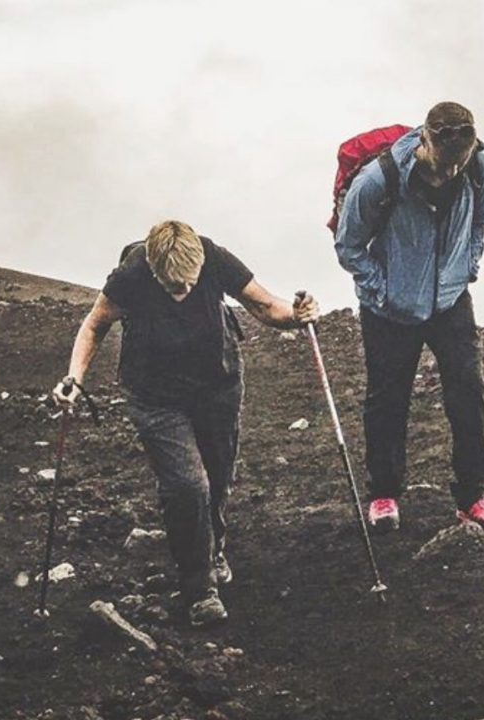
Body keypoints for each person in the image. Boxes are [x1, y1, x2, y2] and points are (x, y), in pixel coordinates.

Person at [52, 220, 319, 627]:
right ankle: (199, 590)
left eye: (191, 284)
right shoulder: (132, 274)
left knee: (217, 477)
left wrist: (297, 315)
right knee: (186, 486)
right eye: (175, 287)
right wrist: (74, 379)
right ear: (155, 272)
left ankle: (212, 549)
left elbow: (264, 305)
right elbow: (95, 324)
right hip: (155, 397)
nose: (185, 292)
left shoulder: (211, 257)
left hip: (218, 385)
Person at [334, 102, 484, 535]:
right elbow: (349, 246)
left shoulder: (476, 167)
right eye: (444, 164)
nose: (451, 173)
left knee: (468, 392)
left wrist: (466, 267)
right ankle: (384, 494)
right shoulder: (381, 179)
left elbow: (482, 218)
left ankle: (473, 497)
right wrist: (384, 293)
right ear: (425, 142)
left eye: (461, 163)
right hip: (390, 310)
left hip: (450, 301)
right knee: (388, 398)